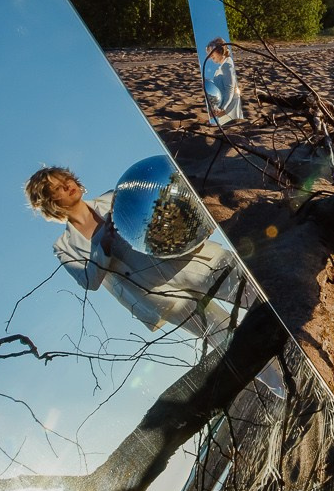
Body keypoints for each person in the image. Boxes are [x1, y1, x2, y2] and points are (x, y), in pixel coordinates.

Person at [25, 167, 238, 338]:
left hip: (188, 261)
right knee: (226, 339)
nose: (66, 185)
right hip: (161, 296)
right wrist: (104, 245)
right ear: (49, 203)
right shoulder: (63, 246)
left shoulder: (114, 196)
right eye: (56, 189)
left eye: (65, 179)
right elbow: (89, 281)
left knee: (251, 292)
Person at [202, 37, 243, 125]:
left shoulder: (227, 65)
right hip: (225, 110)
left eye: (212, 52)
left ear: (220, 50)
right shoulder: (221, 67)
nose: (210, 56)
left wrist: (222, 108)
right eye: (209, 53)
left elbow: (229, 89)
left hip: (230, 112)